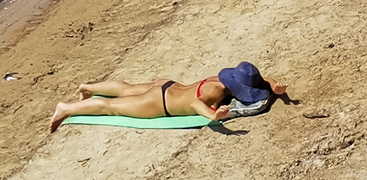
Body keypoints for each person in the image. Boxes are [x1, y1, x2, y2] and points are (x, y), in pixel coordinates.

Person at [50, 62, 287, 131]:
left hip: (167, 86)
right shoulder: (216, 92)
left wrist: (276, 89)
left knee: (125, 88)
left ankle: (87, 86)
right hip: (159, 104)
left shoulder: (223, 78)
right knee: (112, 108)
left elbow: (263, 78)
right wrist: (215, 115)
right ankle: (66, 108)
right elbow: (197, 104)